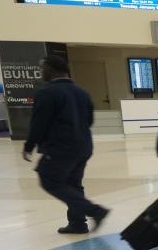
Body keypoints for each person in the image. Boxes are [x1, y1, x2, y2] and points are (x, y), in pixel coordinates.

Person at [22, 56, 110, 234]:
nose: (41, 72)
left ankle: (95, 211)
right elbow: (89, 120)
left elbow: (38, 123)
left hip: (60, 148)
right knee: (73, 184)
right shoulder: (82, 92)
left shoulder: (47, 93)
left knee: (50, 181)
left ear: (52, 70)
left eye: (43, 69)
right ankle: (77, 223)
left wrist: (29, 146)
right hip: (84, 146)